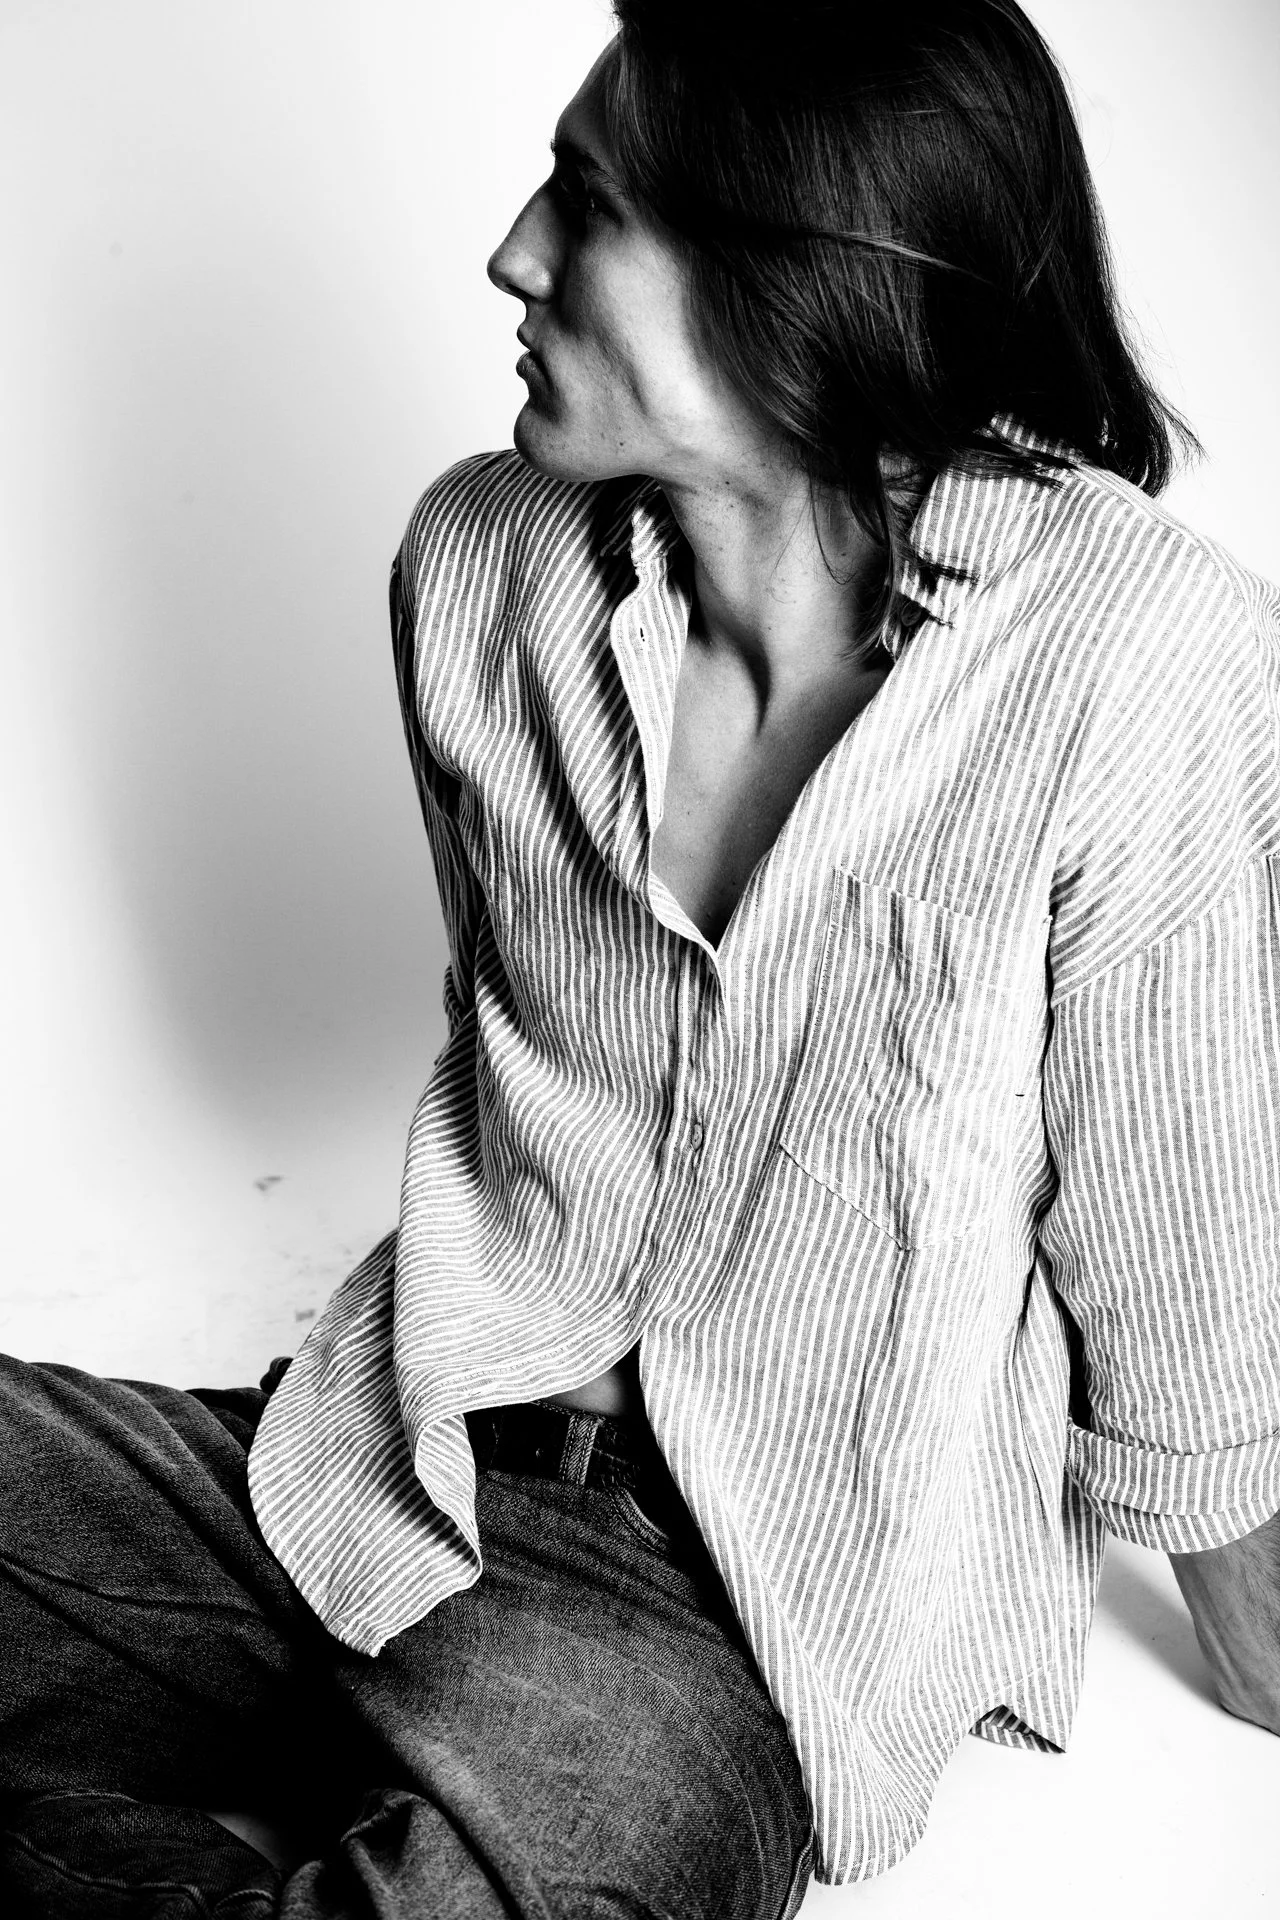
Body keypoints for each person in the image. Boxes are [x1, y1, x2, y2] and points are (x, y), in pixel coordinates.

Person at [2, 1, 1278, 1913]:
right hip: (366, 1461)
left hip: (721, 1629)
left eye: (585, 202)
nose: (512, 251)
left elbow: (1192, 1289)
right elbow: (510, 1044)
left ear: (806, 279)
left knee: (546, 1872)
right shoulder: (480, 568)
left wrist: (1257, 1662)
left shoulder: (1131, 665)